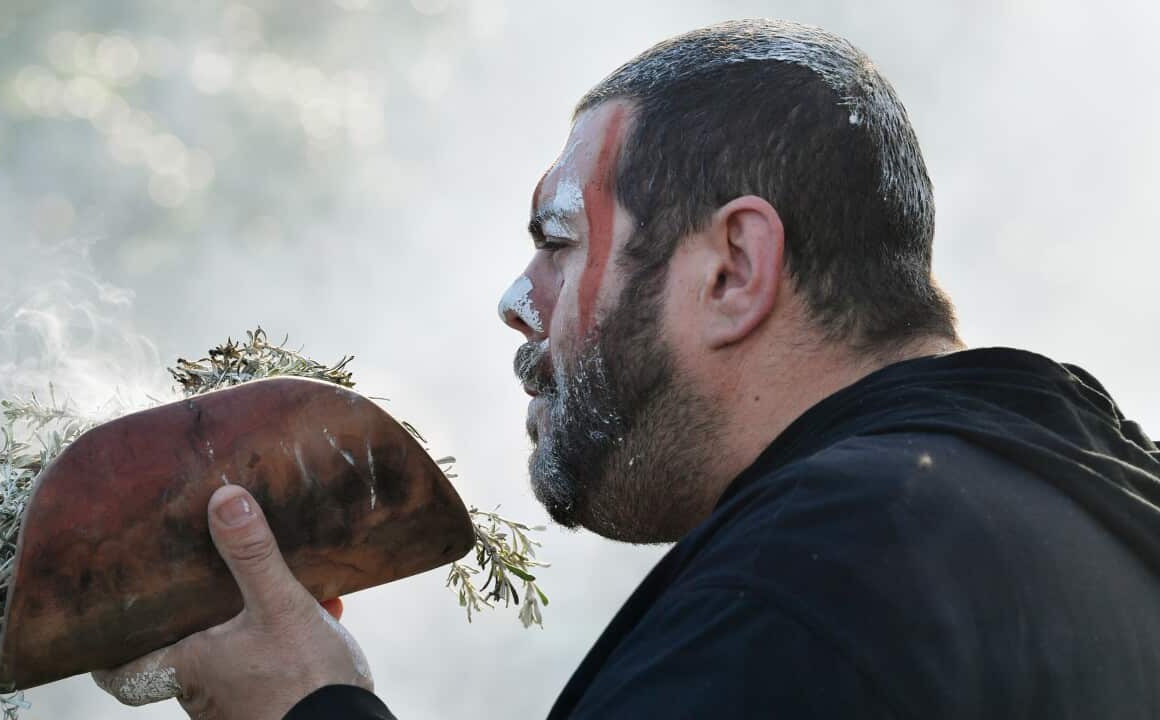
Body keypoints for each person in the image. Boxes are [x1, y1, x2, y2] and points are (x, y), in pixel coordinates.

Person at [94, 18, 1160, 719]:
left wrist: (307, 712)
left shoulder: (823, 572)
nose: (517, 302)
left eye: (557, 242)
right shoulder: (1084, 503)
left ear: (733, 268)